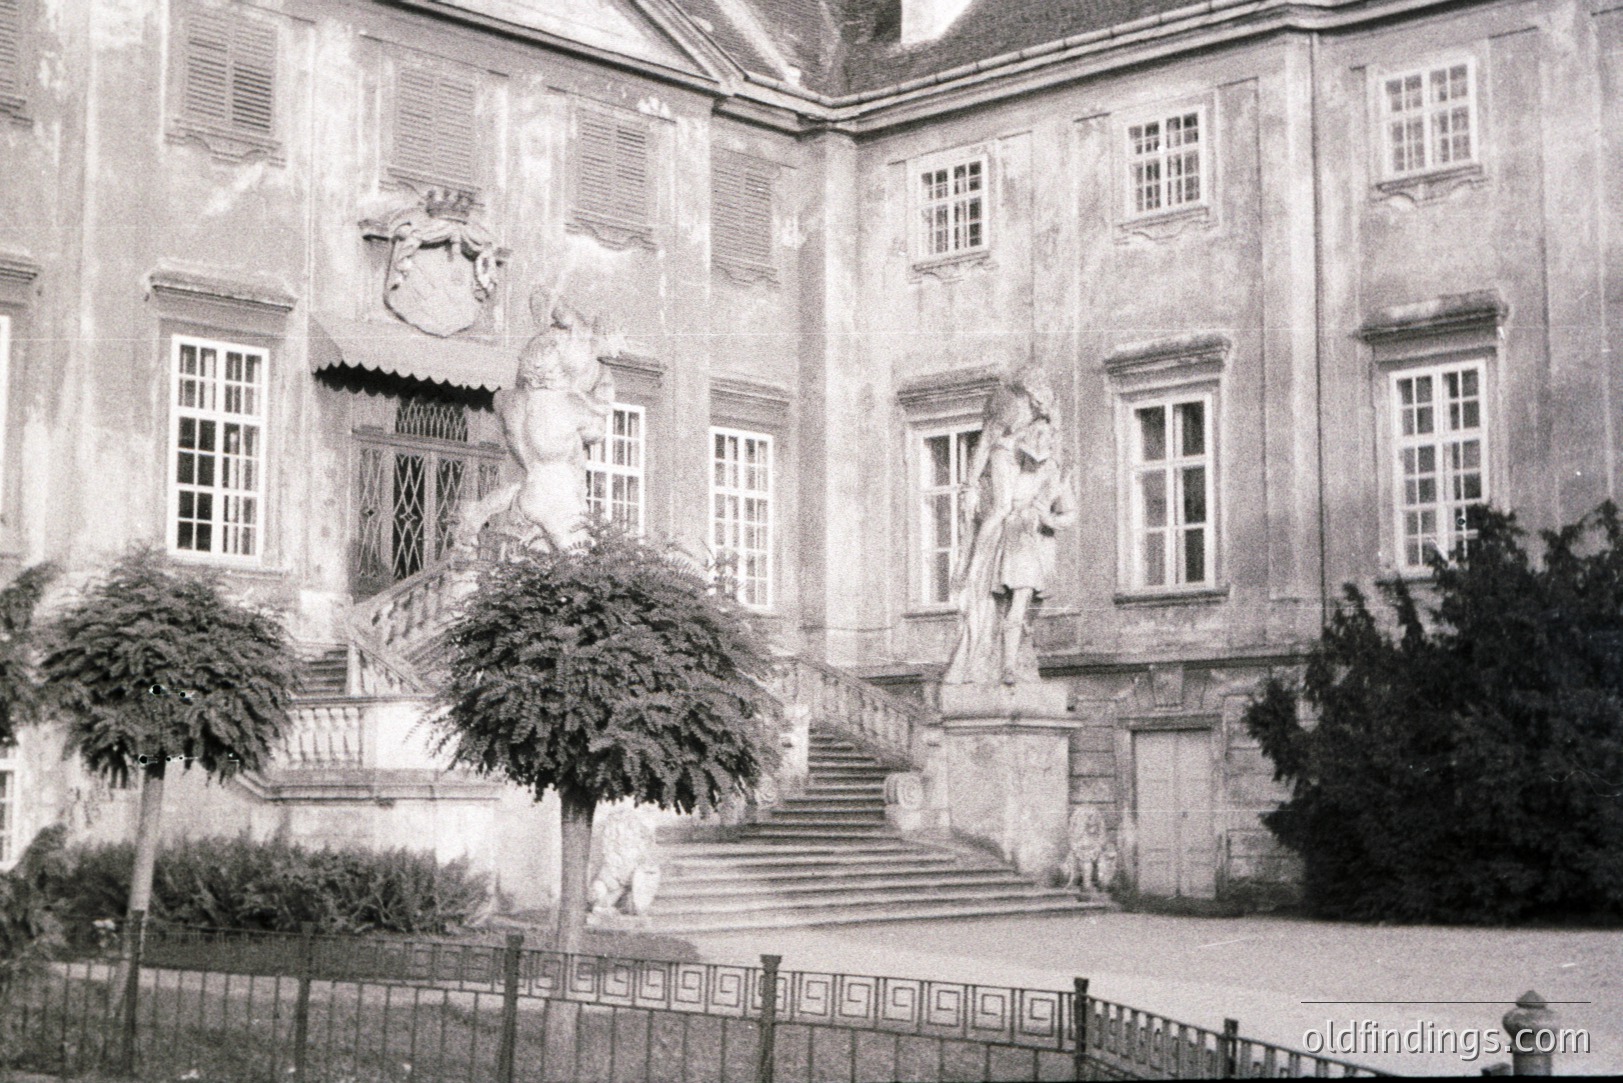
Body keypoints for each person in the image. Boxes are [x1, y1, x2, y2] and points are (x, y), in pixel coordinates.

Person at [943, 365, 1078, 685]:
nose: (1041, 432)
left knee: (1018, 605)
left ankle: (1009, 665)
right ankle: (1001, 664)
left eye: (1046, 427)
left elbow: (1068, 511)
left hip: (1029, 543)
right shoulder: (1004, 448)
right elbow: (1001, 501)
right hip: (1011, 536)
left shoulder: (1054, 468)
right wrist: (973, 488)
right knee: (999, 596)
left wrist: (1048, 517)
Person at [452, 293, 616, 555]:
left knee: (532, 577)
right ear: (558, 364)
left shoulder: (506, 402)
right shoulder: (570, 404)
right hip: (560, 501)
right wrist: (598, 384)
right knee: (580, 572)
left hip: (527, 496)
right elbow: (596, 433)